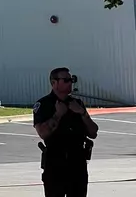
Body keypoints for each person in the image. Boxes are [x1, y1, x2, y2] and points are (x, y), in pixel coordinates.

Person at [33, 67, 99, 197]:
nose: (70, 82)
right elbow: (42, 133)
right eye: (66, 80)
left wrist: (82, 113)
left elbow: (93, 132)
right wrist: (58, 114)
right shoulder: (43, 104)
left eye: (72, 79)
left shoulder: (77, 103)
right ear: (54, 83)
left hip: (77, 163)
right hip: (55, 163)